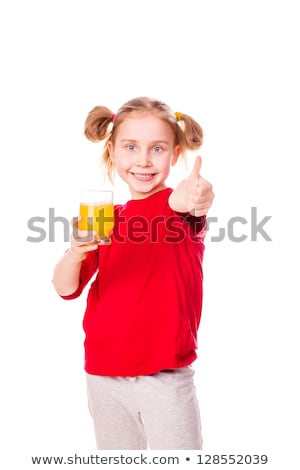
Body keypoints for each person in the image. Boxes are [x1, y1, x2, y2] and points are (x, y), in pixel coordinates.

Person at [53, 96, 214, 450]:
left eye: (157, 149)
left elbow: (187, 199)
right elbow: (65, 288)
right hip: (103, 375)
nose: (143, 160)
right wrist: (76, 252)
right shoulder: (104, 216)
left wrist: (197, 194)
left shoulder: (175, 210)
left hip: (165, 378)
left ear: (174, 156)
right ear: (113, 152)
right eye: (131, 147)